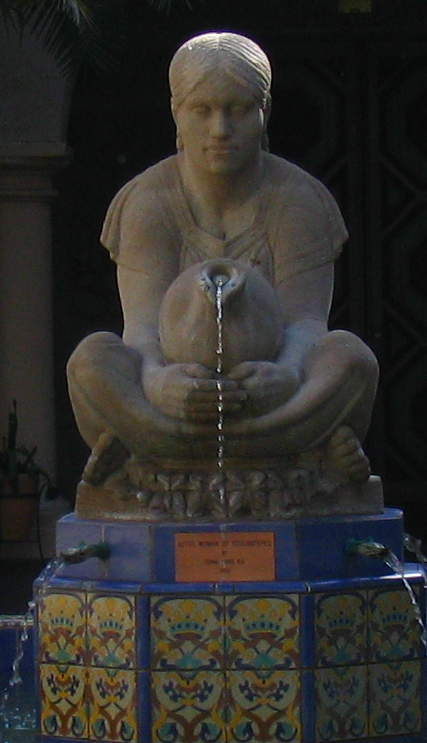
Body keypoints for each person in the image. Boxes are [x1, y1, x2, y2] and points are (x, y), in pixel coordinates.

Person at [65, 32, 380, 483]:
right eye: (202, 110)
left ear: (264, 112)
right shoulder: (148, 201)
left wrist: (287, 375)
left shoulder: (299, 199)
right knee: (91, 361)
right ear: (177, 114)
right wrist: (157, 381)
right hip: (176, 394)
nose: (220, 130)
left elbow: (307, 324)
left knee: (351, 358)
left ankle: (147, 447)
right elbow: (141, 330)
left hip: (270, 388)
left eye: (238, 110)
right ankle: (300, 449)